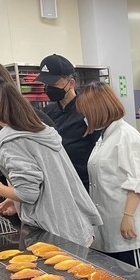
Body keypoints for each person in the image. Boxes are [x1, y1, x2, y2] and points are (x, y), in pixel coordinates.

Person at [0, 70, 102, 247]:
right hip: (72, 224)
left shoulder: (11, 139)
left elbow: (28, 193)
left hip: (53, 233)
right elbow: (41, 181)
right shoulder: (35, 127)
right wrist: (15, 201)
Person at [76, 82, 140, 271]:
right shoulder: (105, 137)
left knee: (139, 279)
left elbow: (137, 181)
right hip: (109, 225)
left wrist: (128, 216)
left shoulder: (126, 136)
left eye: (86, 112)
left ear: (98, 109)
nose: (84, 117)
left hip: (128, 227)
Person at [0, 61, 55, 217]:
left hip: (48, 216)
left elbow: (28, 192)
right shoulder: (35, 122)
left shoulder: (9, 134)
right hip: (56, 211)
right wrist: (16, 199)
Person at [36, 54, 99, 191]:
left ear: (71, 83)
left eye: (54, 84)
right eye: (46, 84)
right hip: (56, 182)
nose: (48, 88)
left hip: (84, 184)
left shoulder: (88, 110)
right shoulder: (46, 113)